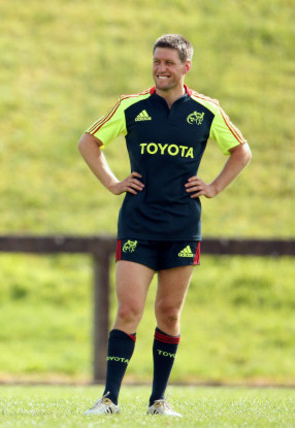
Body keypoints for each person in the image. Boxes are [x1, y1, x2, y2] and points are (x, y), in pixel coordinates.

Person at [78, 34, 251, 417]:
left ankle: (158, 400)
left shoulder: (207, 110)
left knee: (169, 314)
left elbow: (241, 151)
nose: (160, 69)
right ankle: (108, 399)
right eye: (156, 61)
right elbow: (88, 142)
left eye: (169, 63)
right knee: (129, 311)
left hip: (182, 228)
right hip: (138, 224)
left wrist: (215, 186)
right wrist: (112, 182)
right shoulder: (131, 106)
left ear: (186, 67)